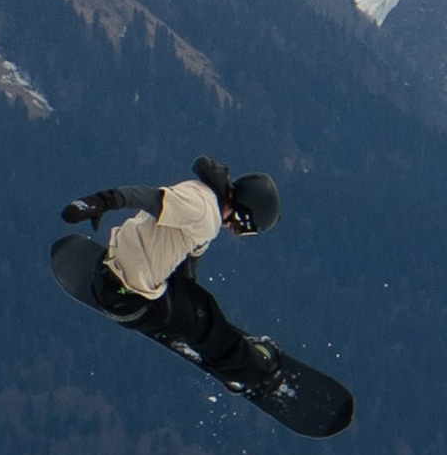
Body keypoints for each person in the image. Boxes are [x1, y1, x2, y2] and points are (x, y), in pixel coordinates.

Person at [60, 156, 283, 391]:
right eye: (245, 228)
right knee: (209, 324)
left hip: (107, 278)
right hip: (134, 300)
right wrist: (101, 201)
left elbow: (190, 261)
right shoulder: (202, 208)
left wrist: (187, 304)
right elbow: (151, 199)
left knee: (201, 308)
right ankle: (252, 371)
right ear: (244, 212)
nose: (237, 233)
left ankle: (224, 347)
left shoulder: (204, 202)